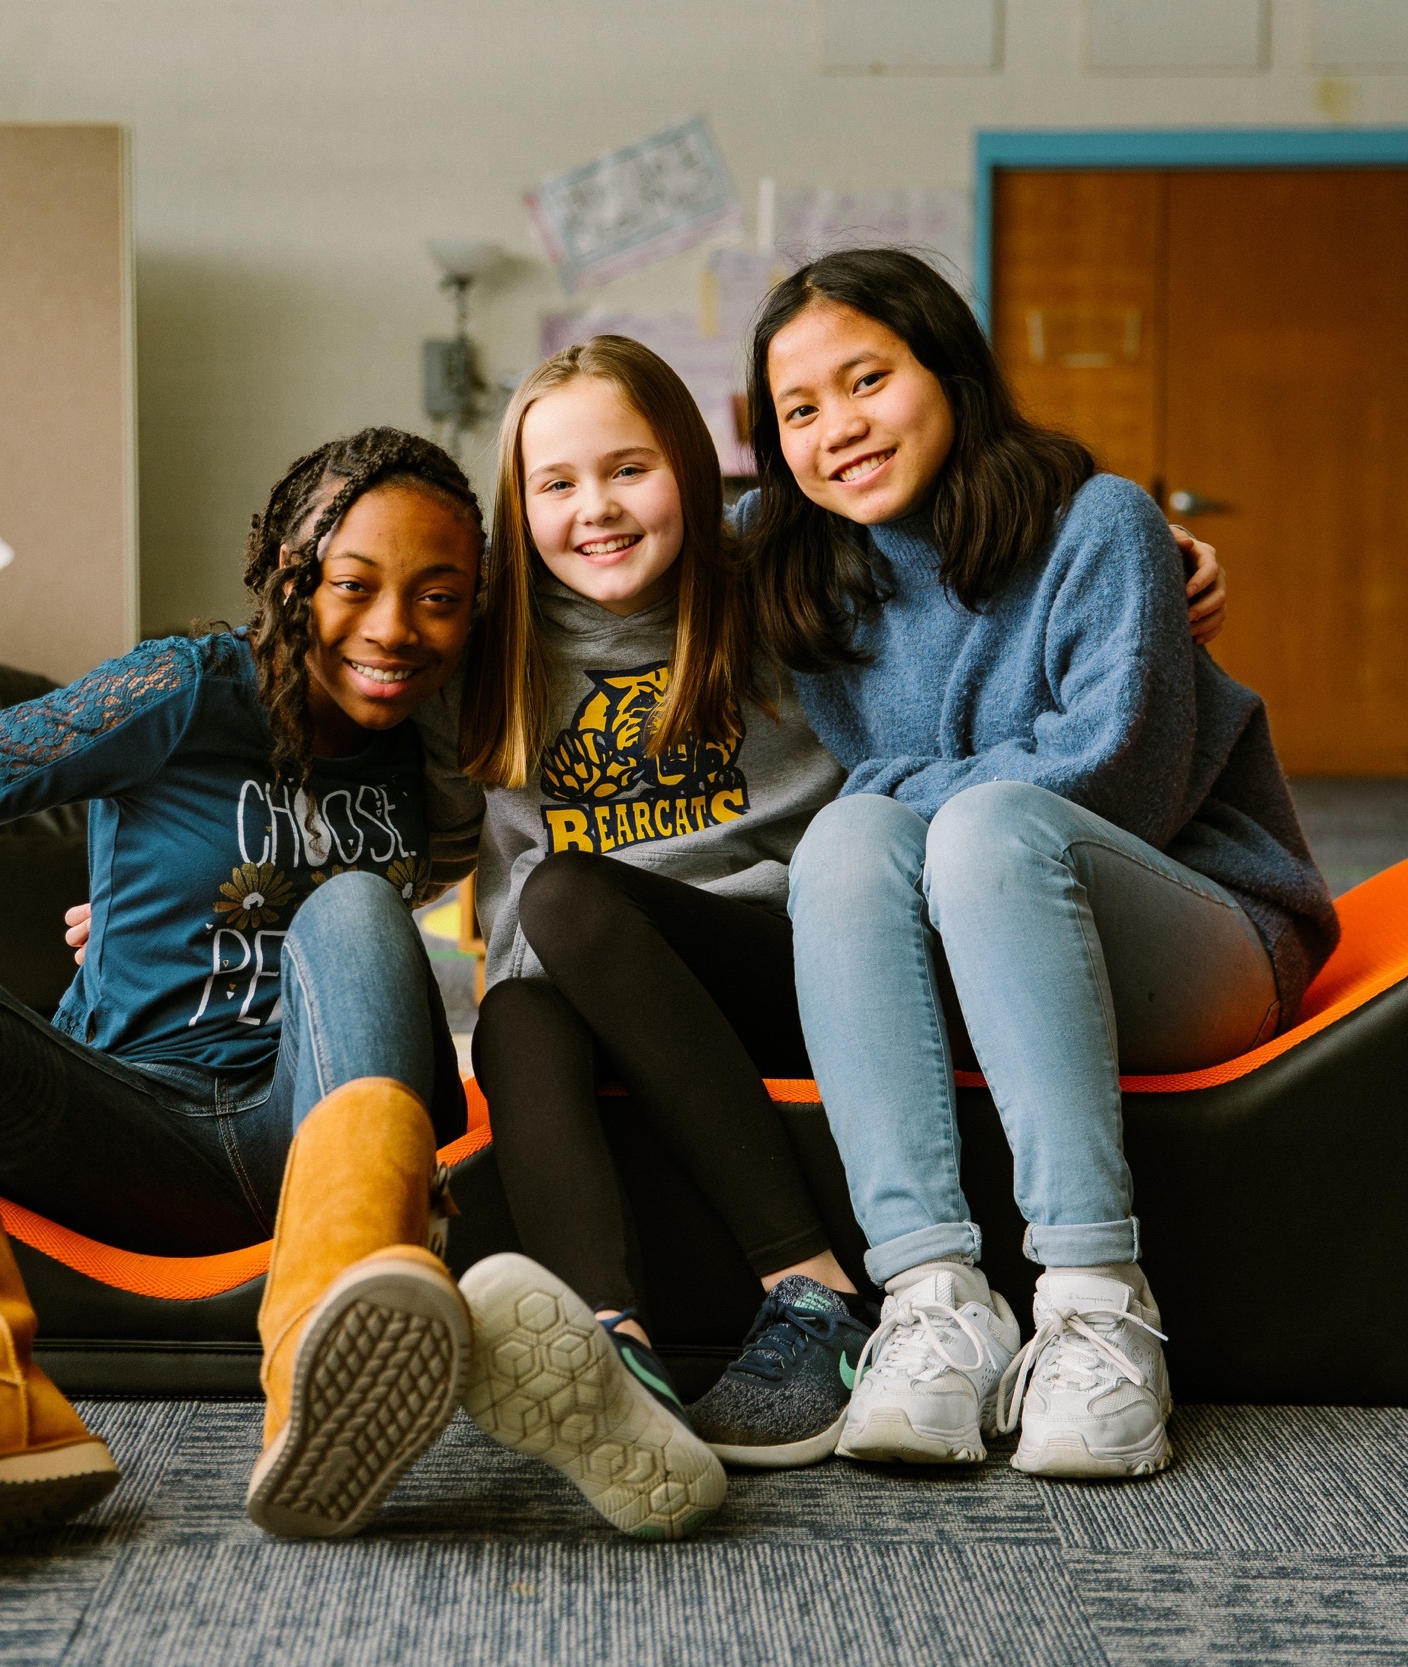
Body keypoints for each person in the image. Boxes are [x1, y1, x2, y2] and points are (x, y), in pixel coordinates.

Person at [417, 335, 1222, 1524]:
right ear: (516, 506)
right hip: (597, 983)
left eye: (629, 469)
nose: (596, 508)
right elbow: (353, 693)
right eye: (557, 483)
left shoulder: (773, 573)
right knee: (517, 1011)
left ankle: (814, 1294)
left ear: (696, 474)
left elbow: (957, 552)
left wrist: (1156, 569)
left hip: (800, 961)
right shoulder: (488, 648)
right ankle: (611, 1350)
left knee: (564, 895)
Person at [0, 427, 489, 1579]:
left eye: (437, 599)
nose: (394, 627)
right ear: (287, 574)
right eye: (353, 585)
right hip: (126, 1121)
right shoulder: (183, 686)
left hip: (319, 1138)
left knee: (352, 906)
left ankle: (326, 1352)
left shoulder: (435, 738)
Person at [738, 248, 1338, 1479]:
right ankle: (933, 1300)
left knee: (977, 825)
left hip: (1203, 931)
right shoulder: (791, 557)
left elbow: (1116, 774)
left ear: (949, 371)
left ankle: (1096, 1303)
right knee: (846, 840)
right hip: (990, 943)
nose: (836, 427)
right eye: (798, 409)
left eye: (867, 379)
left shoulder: (1098, 522)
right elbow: (608, 524)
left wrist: (896, 787)